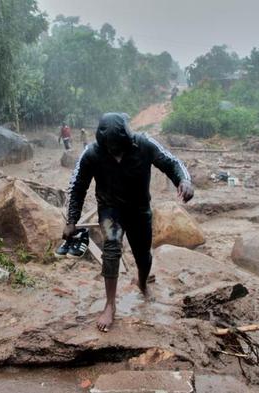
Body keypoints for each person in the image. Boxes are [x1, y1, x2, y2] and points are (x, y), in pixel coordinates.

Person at [63, 112, 194, 332]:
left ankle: (142, 282)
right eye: (110, 148)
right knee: (111, 248)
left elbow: (171, 162)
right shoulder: (91, 153)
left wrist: (184, 180)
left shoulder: (143, 144)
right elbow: (77, 187)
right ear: (102, 142)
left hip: (139, 209)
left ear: (128, 139)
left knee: (143, 256)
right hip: (110, 210)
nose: (115, 152)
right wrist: (72, 220)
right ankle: (110, 305)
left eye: (119, 147)